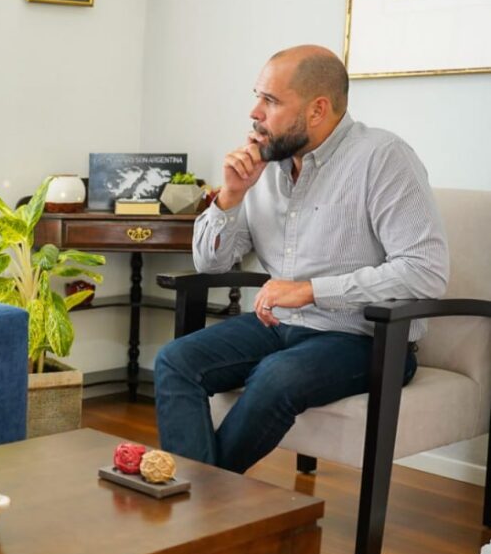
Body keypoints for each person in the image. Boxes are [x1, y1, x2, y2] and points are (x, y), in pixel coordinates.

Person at [153, 45, 448, 474]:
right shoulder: (263, 166)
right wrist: (231, 197)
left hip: (365, 339)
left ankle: (195, 499)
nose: (255, 112)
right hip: (279, 327)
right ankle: (202, 501)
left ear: (317, 109)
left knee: (276, 377)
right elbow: (210, 267)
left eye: (271, 101)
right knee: (175, 361)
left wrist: (311, 291)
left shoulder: (383, 157)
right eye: (257, 96)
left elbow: (425, 272)